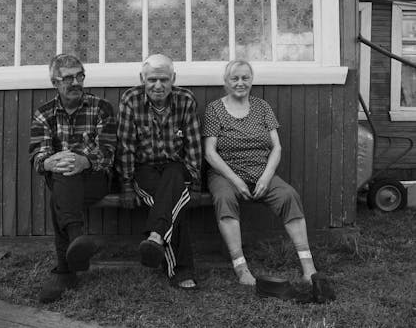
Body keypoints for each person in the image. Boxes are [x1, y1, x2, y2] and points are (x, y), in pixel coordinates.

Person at [203, 59, 318, 286]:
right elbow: (210, 153)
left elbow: (277, 147)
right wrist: (235, 181)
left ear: (252, 80)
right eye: (234, 78)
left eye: (245, 78)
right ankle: (242, 268)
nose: (240, 82)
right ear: (226, 82)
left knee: (288, 195)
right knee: (225, 198)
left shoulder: (262, 107)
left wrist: (266, 177)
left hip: (260, 171)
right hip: (226, 174)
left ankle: (309, 268)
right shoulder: (214, 109)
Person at [30, 54, 117, 303]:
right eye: (68, 77)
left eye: (79, 76)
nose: (76, 82)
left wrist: (83, 161)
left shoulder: (101, 107)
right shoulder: (43, 114)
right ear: (54, 82)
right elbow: (39, 156)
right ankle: (75, 245)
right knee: (63, 177)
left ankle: (65, 269)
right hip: (63, 179)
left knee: (61, 184)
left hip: (96, 179)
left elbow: (108, 151)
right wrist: (53, 161)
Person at [116, 54, 202, 290]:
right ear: (142, 78)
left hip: (175, 167)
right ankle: (182, 269)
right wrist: (125, 186)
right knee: (175, 201)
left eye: (164, 79)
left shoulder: (185, 99)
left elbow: (193, 145)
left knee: (174, 179)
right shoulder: (131, 100)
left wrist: (195, 184)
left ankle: (156, 236)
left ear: (173, 78)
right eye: (152, 79)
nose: (158, 85)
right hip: (144, 170)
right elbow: (125, 146)